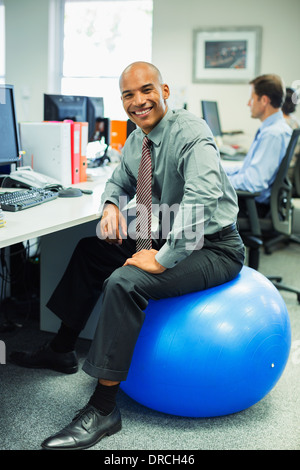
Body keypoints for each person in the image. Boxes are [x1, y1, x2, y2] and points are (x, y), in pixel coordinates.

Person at [10, 62, 245, 450]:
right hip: (165, 231)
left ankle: (104, 409)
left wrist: (164, 258)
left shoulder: (191, 133)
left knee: (125, 280)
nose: (139, 101)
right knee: (91, 249)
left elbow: (202, 199)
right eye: (128, 95)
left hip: (214, 244)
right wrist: (110, 206)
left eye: (146, 90)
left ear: (165, 90)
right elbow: (119, 179)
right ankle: (61, 349)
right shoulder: (139, 138)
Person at [226, 74, 292, 217]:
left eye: (252, 98)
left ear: (264, 100)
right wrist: (219, 170)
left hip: (253, 207)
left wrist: (217, 180)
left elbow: (253, 182)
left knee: (197, 204)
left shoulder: (273, 134)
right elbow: (249, 169)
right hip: (254, 203)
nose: (248, 103)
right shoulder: (274, 128)